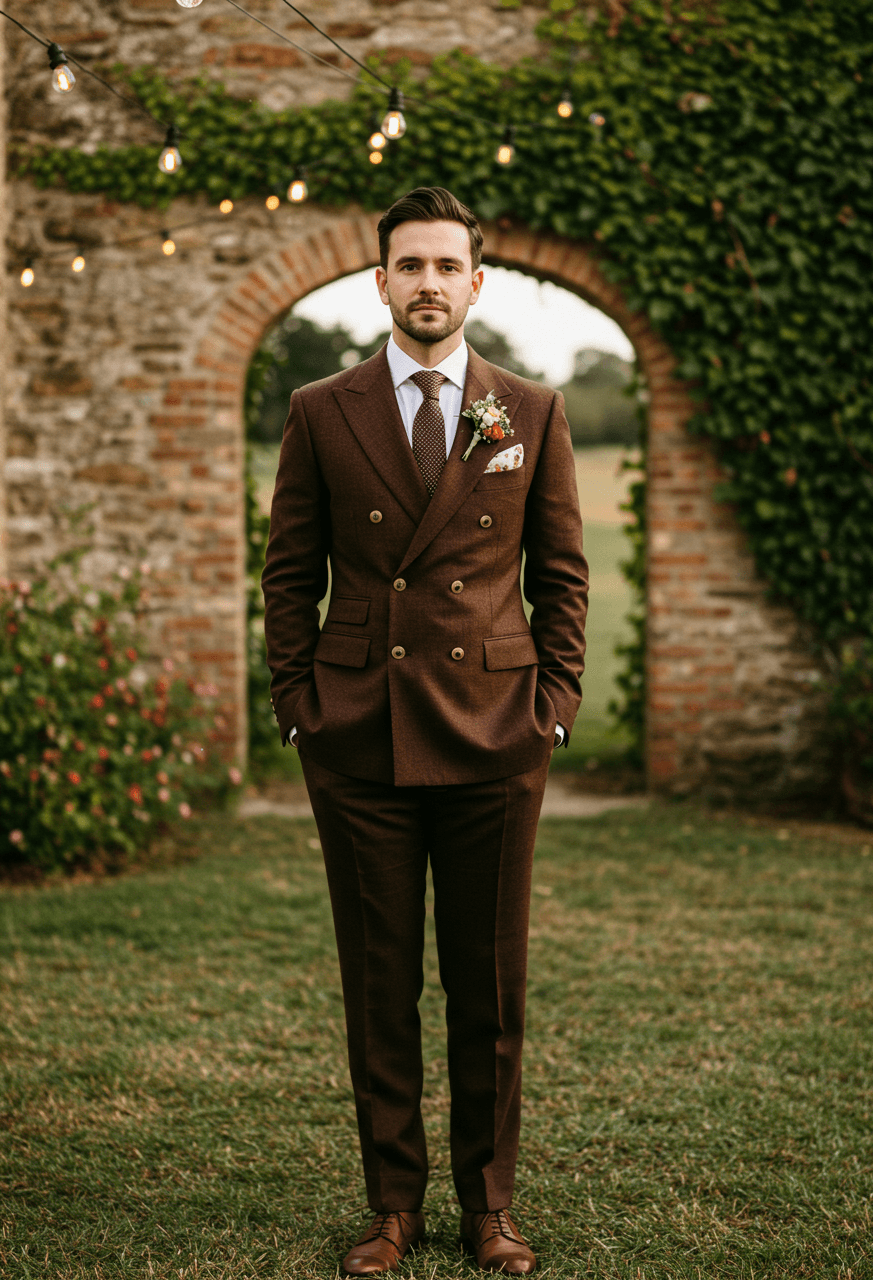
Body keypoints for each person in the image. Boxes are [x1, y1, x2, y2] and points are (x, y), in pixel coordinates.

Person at [262, 187, 588, 1275]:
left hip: (498, 731)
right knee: (379, 978)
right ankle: (390, 1205)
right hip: (358, 734)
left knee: (488, 984)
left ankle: (487, 1206)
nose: (429, 283)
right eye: (410, 266)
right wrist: (298, 704)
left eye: (447, 266)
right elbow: (288, 573)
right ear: (382, 281)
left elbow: (562, 574)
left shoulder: (528, 410)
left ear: (475, 282)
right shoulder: (321, 406)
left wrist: (553, 703)